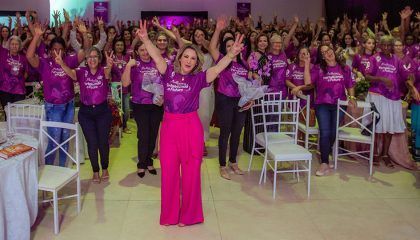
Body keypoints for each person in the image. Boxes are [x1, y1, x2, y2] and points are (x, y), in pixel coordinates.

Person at [135, 20, 244, 226]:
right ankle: (170, 215)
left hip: (190, 128)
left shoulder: (200, 78)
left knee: (191, 173)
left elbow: (219, 68)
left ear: (197, 62)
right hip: (169, 127)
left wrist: (230, 54)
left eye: (193, 58)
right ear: (180, 57)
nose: (188, 60)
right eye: (186, 56)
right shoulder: (168, 72)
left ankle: (190, 215)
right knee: (168, 172)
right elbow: (157, 56)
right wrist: (146, 39)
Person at [26, 23, 84, 166]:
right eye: (54, 49)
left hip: (69, 105)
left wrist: (83, 33)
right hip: (53, 107)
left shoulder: (69, 60)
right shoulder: (45, 63)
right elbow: (29, 56)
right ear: (50, 50)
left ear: (64, 50)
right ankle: (48, 170)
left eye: (60, 49)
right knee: (54, 139)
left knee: (65, 139)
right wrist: (37, 36)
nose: (57, 52)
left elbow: (85, 51)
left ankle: (62, 169)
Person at [58, 47, 114, 183]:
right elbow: (70, 74)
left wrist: (110, 65)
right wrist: (61, 63)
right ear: (86, 60)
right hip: (86, 113)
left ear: (99, 59)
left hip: (103, 112)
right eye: (89, 57)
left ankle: (105, 168)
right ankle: (95, 171)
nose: (92, 59)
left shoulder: (103, 71)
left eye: (95, 56)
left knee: (103, 142)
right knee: (92, 143)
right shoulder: (81, 72)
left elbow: (108, 72)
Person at [304, 44, 356, 176]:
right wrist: (306, 64)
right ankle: (324, 162)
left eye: (329, 50)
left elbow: (350, 84)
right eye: (324, 52)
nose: (328, 53)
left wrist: (352, 97)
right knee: (325, 132)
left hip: (339, 105)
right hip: (322, 105)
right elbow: (308, 82)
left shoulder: (344, 68)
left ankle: (326, 152)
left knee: (333, 132)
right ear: (322, 57)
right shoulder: (318, 69)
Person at [209, 17, 251, 180]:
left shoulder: (244, 64)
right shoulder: (221, 61)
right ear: (225, 49)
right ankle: (222, 165)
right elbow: (212, 47)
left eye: (235, 45)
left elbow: (249, 85)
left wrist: (251, 99)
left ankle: (233, 161)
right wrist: (218, 29)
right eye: (228, 46)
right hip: (225, 100)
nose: (232, 47)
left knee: (237, 132)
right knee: (225, 133)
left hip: (240, 102)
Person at [365, 36, 409, 168]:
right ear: (379, 45)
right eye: (383, 45)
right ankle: (375, 153)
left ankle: (385, 155)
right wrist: (382, 79)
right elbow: (367, 76)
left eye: (389, 45)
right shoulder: (374, 58)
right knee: (378, 127)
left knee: (389, 128)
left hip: (393, 98)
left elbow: (406, 75)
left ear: (392, 46)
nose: (386, 48)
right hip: (377, 95)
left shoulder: (397, 60)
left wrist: (411, 85)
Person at [121, 41, 163, 178]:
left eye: (147, 50)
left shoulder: (157, 63)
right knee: (143, 135)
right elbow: (125, 83)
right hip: (140, 105)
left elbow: (165, 82)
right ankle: (141, 163)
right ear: (137, 52)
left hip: (156, 105)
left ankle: (149, 161)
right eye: (141, 50)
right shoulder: (135, 65)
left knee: (153, 134)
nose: (145, 52)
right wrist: (128, 66)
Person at [0, 36, 28, 112]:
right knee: (8, 113)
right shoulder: (3, 53)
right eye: (12, 44)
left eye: (17, 44)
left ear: (20, 46)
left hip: (19, 90)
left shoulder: (23, 58)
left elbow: (26, 73)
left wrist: (19, 80)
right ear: (9, 45)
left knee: (18, 114)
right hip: (5, 89)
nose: (14, 46)